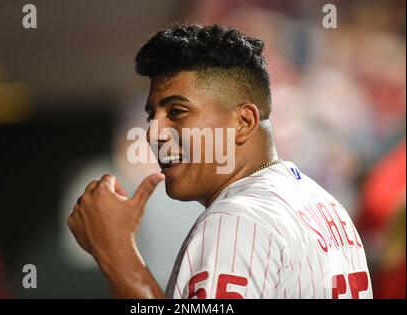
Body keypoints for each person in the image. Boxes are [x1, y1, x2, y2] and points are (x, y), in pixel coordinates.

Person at [67, 24, 373, 299]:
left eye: (176, 112)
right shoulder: (324, 204)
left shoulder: (237, 219)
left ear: (243, 121)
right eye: (152, 115)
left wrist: (116, 252)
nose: (153, 132)